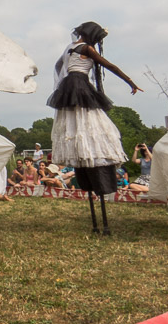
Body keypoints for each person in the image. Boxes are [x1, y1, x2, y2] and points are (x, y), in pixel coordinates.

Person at [47, 21, 142, 233]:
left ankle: (90, 171)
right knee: (92, 125)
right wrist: (130, 82)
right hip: (79, 86)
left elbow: (58, 67)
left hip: (70, 87)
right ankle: (95, 174)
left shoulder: (70, 48)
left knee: (79, 126)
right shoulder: (86, 48)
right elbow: (111, 66)